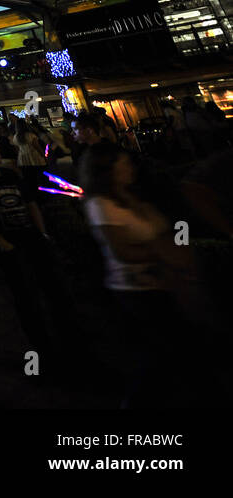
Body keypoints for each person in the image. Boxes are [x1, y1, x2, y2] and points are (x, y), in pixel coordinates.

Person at [81, 143, 198, 406]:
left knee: (172, 352)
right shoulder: (101, 205)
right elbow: (123, 252)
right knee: (159, 356)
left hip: (162, 283)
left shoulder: (131, 196)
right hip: (135, 290)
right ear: (106, 170)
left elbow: (162, 230)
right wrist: (165, 255)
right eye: (122, 164)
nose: (129, 168)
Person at [0, 138, 80, 362]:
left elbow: (30, 202)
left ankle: (69, 341)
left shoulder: (10, 175)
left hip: (32, 238)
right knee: (25, 297)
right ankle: (42, 349)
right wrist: (1, 242)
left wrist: (41, 232)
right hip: (9, 244)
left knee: (55, 290)